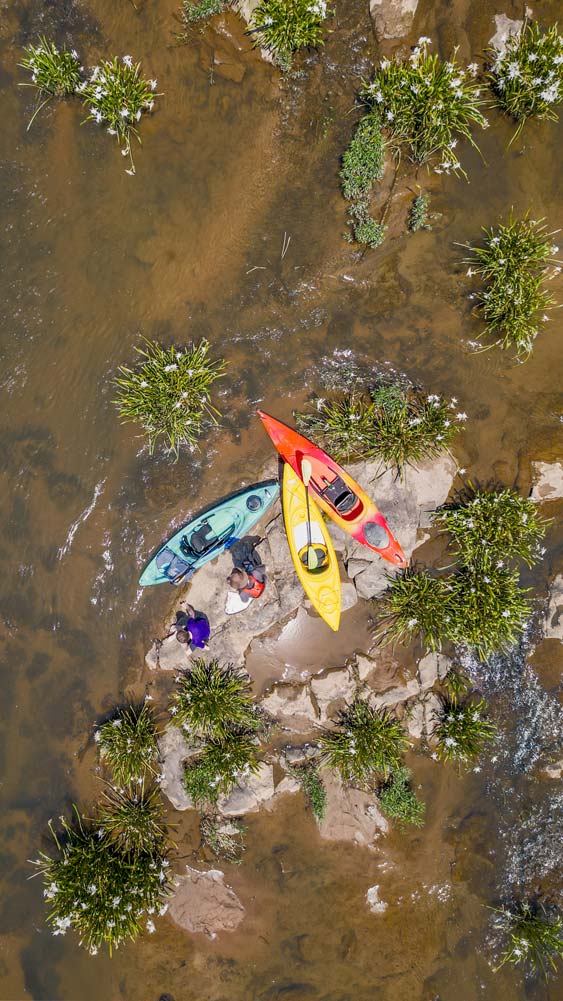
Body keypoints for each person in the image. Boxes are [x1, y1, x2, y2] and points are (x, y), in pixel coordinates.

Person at [225, 536, 266, 612]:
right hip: (259, 582)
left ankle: (235, 547)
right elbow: (263, 568)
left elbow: (245, 601)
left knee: (239, 560)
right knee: (245, 559)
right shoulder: (256, 573)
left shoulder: (243, 593)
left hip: (257, 588)